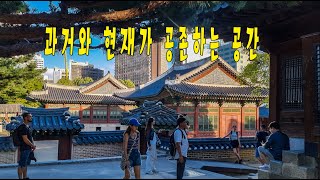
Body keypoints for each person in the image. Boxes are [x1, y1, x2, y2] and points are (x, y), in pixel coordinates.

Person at [17, 112, 36, 179]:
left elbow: (30, 137)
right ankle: (20, 178)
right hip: (24, 148)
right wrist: (32, 146)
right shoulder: (23, 127)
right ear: (25, 118)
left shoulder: (27, 126)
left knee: (25, 164)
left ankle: (25, 177)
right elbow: (25, 139)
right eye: (30, 116)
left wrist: (32, 145)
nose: (31, 118)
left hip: (28, 148)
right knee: (22, 164)